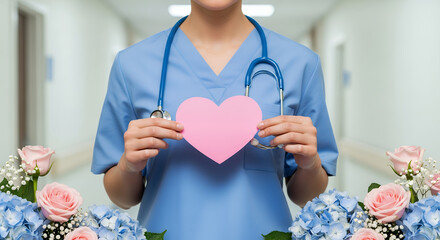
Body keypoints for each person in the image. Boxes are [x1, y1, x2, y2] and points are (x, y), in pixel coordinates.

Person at [92, 0, 338, 239]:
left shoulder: (301, 64)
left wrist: (310, 164)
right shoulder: (132, 65)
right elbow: (122, 199)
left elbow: (306, 198)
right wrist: (128, 167)